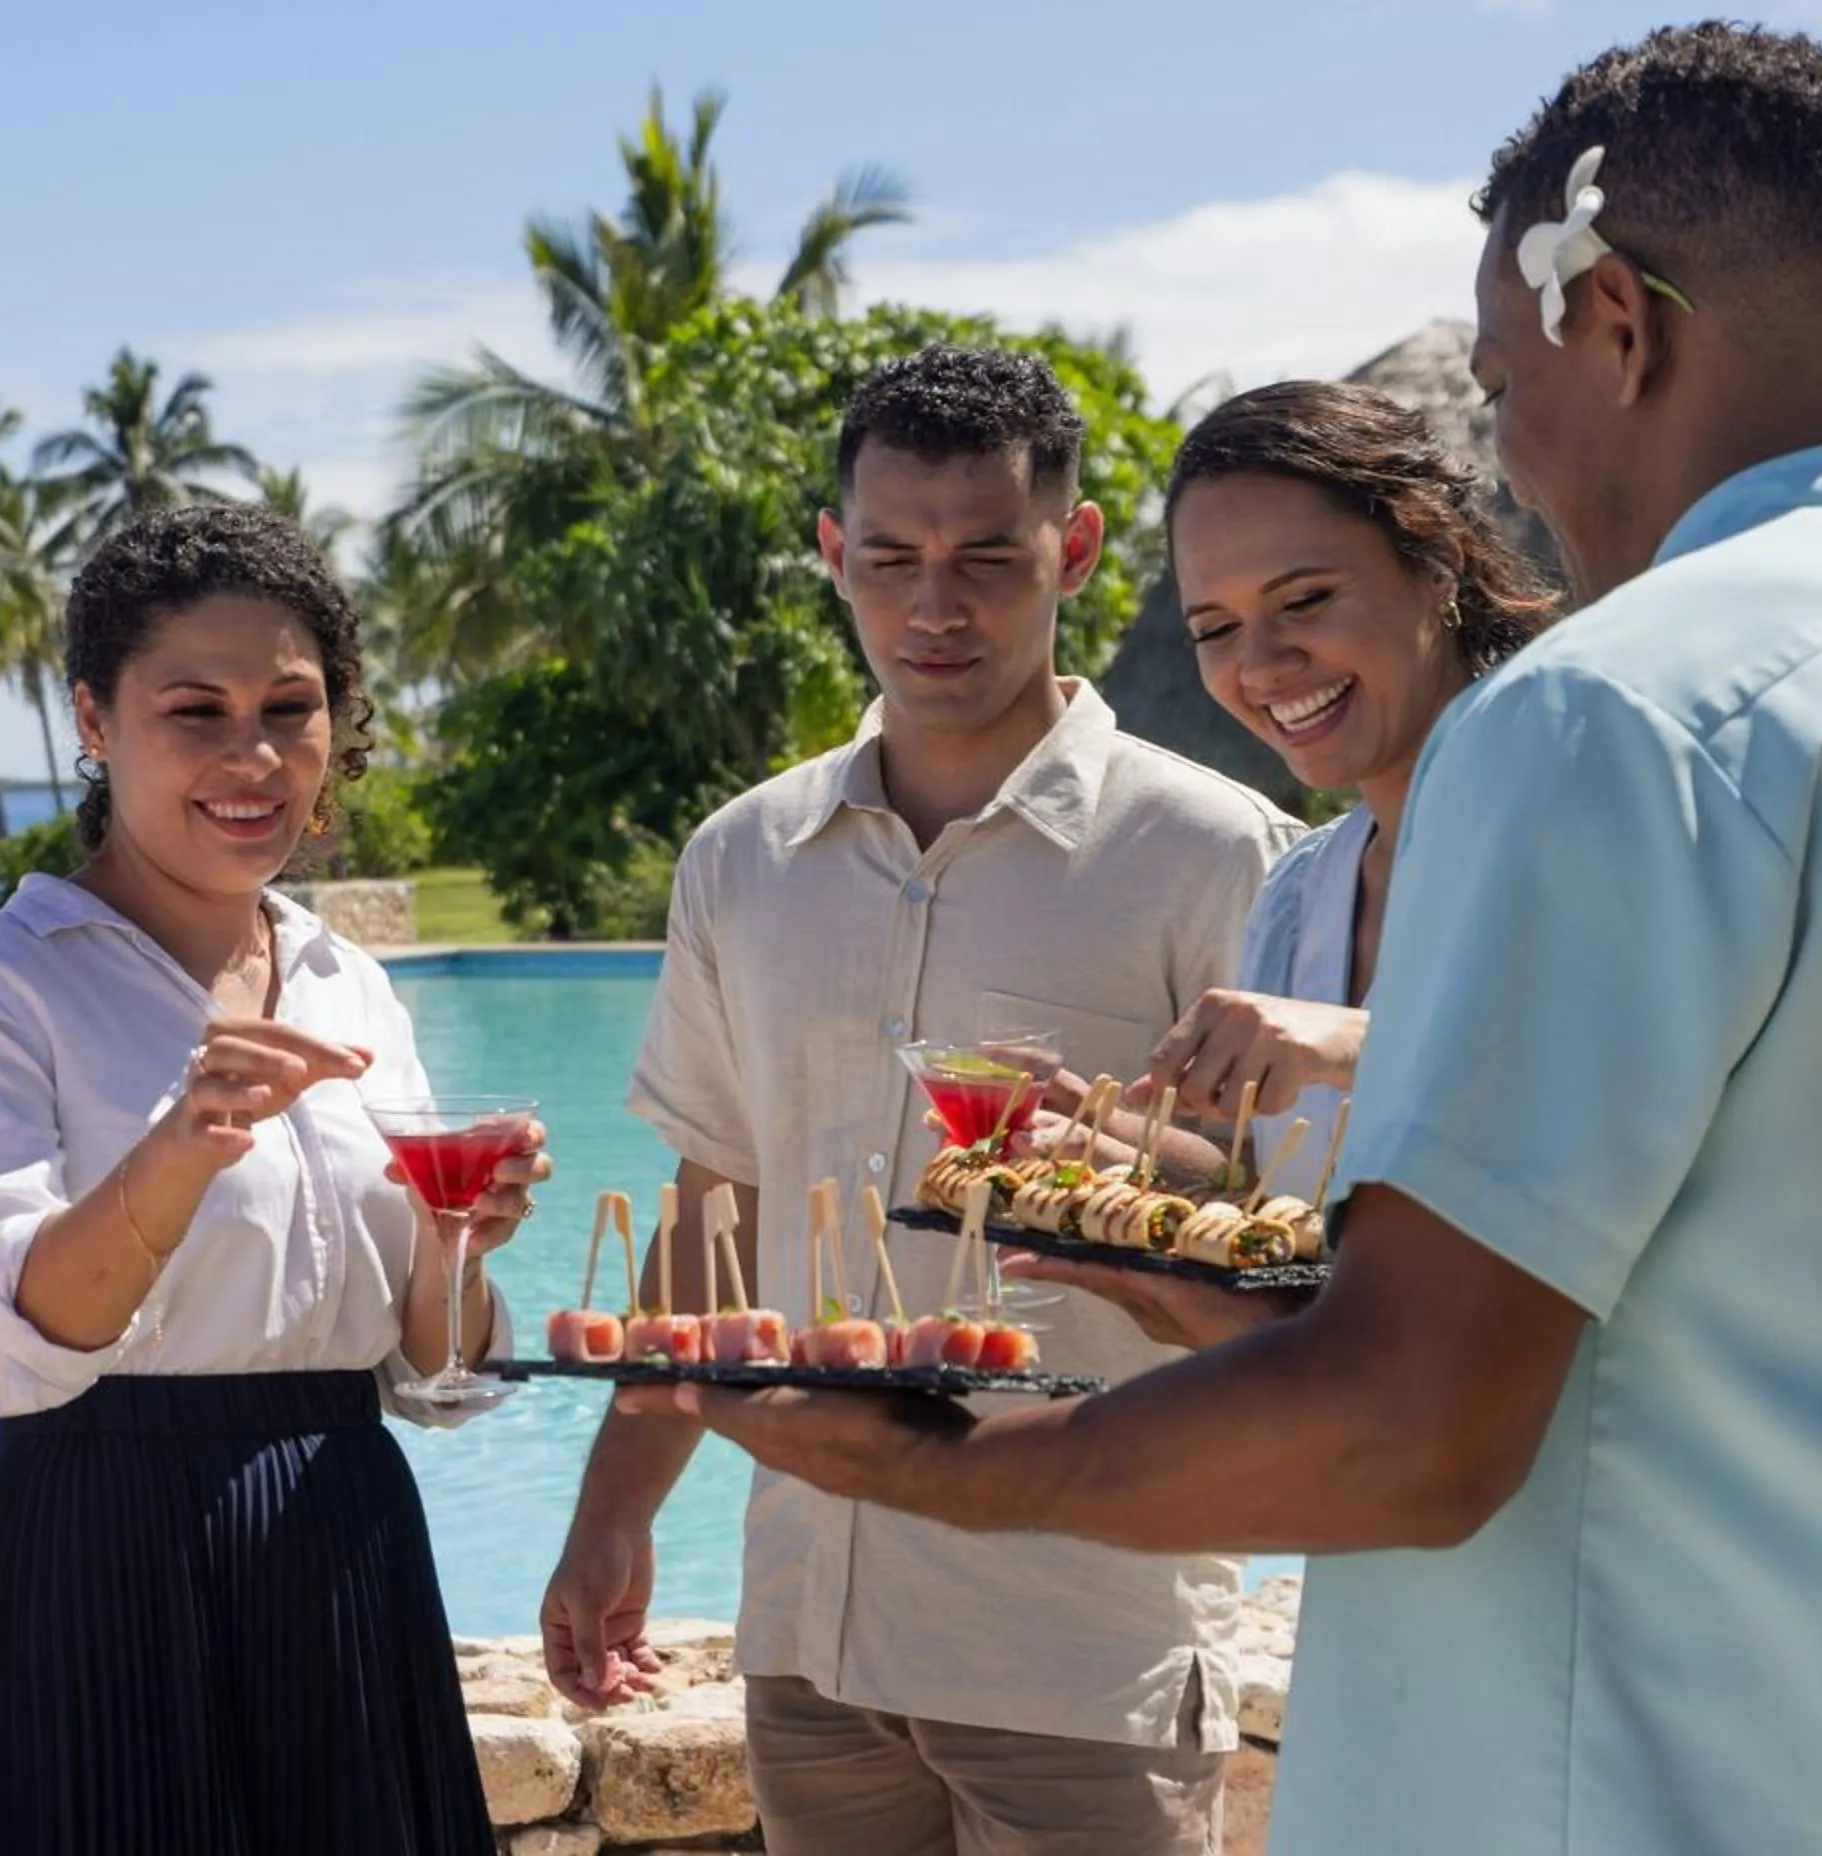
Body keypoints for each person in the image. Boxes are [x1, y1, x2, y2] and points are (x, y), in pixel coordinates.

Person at [658, 23, 1822, 1854]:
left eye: (1501, 371)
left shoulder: (1614, 717)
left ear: (1613, 319)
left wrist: (942, 1467)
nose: (1515, 445)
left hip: (1619, 1787)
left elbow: (1413, 1431)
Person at [543, 345, 1301, 1855]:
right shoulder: (740, 860)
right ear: (834, 554)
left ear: (1073, 551)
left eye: (985, 559)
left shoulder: (1220, 857)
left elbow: (1291, 1246)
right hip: (810, 1636)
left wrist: (1131, 1184)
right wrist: (609, 1508)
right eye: (889, 558)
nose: (933, 607)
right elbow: (716, 1212)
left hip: (1083, 1639)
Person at [0, 503, 544, 1855]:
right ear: (94, 717)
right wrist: (185, 1143)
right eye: (195, 709)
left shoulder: (349, 982)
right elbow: (0, 1343)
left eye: (290, 708)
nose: (252, 757)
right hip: (94, 1560)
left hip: (343, 1540)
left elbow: (433, 1373)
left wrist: (458, 1238)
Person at [1019, 385, 1562, 1343]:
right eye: (1215, 630)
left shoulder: (1579, 828)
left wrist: (1357, 1042)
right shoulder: (1301, 894)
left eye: (1305, 600)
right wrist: (1123, 1160)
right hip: (1366, 1471)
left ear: (1435, 558)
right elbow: (1303, 1221)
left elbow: (1613, 1090)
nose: (1262, 666)